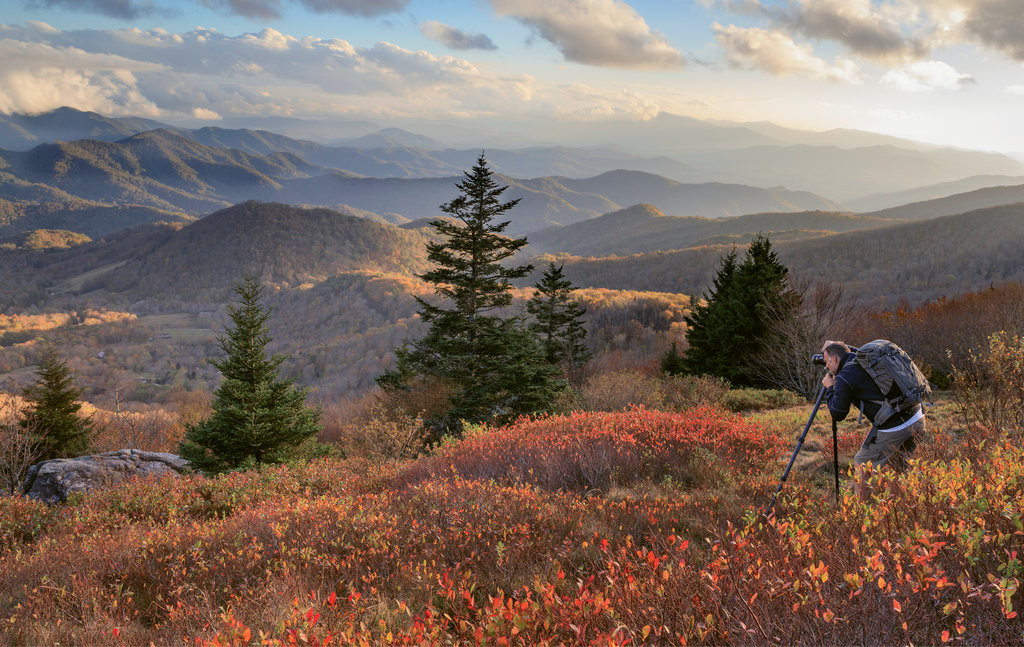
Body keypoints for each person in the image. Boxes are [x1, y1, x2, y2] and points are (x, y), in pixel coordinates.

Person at [820, 340, 926, 498]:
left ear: (835, 359)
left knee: (862, 463)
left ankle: (862, 510)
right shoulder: (862, 357)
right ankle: (902, 510)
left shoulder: (845, 376)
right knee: (898, 467)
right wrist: (837, 344)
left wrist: (830, 388)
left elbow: (838, 413)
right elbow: (847, 352)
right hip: (917, 415)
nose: (826, 366)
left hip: (896, 425)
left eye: (827, 361)